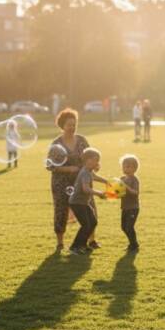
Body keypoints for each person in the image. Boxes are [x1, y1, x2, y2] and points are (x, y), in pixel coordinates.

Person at [47, 108, 103, 252]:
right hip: (61, 183)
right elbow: (49, 165)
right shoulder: (56, 143)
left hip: (82, 181)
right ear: (62, 126)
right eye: (69, 124)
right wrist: (68, 169)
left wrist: (96, 165)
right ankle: (60, 243)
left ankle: (91, 240)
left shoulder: (82, 140)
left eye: (74, 124)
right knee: (61, 211)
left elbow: (91, 157)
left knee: (90, 208)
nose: (72, 127)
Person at [67, 148, 106, 255]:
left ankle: (83, 245)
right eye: (95, 160)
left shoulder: (89, 171)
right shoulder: (84, 173)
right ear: (87, 160)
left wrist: (106, 181)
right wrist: (99, 193)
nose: (97, 162)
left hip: (84, 203)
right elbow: (86, 189)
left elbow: (95, 177)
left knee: (93, 222)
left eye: (98, 160)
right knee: (86, 225)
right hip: (77, 203)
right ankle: (74, 247)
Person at [119, 154, 140, 252]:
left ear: (134, 168)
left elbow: (135, 193)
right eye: (123, 166)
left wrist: (126, 187)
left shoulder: (134, 179)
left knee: (129, 226)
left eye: (127, 166)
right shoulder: (122, 179)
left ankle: (134, 245)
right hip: (125, 207)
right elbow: (120, 193)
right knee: (123, 227)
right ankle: (132, 244)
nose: (125, 168)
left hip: (133, 207)